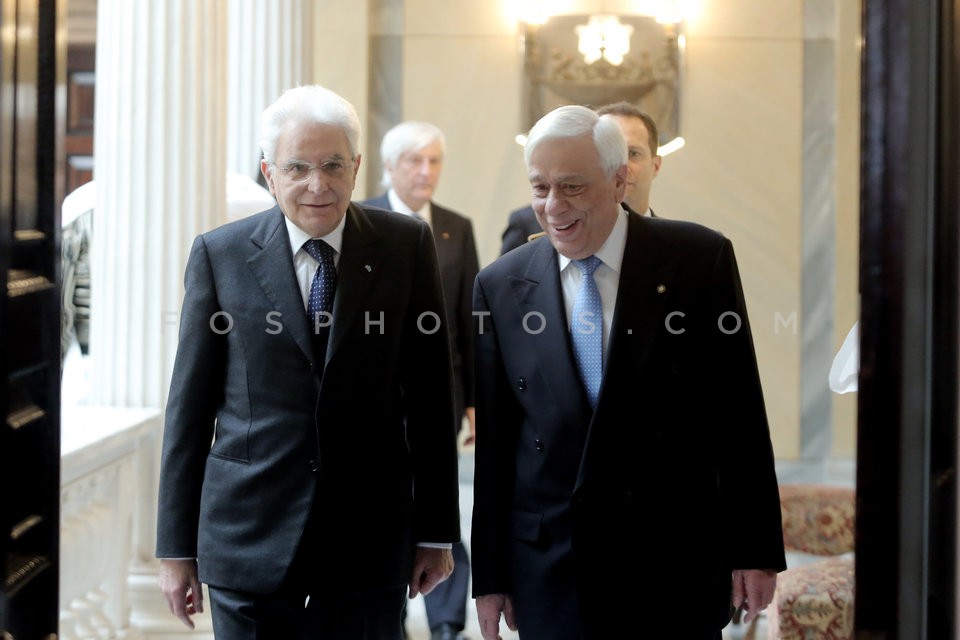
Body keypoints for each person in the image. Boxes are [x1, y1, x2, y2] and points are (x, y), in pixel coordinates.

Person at [156, 84, 461, 639]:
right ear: (269, 172)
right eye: (297, 167)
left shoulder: (406, 246)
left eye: (332, 166)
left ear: (357, 167)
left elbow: (431, 397)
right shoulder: (219, 254)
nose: (316, 185)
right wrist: (175, 549)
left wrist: (437, 533)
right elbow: (189, 410)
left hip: (369, 541)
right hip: (248, 537)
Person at [471, 104, 785, 640]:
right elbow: (497, 446)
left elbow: (738, 411)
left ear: (620, 181)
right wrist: (490, 576)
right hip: (550, 563)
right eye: (540, 187)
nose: (553, 206)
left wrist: (755, 549)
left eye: (572, 187)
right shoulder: (500, 284)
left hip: (670, 557)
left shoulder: (696, 260)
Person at [363, 120, 478, 640]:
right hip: (376, 399)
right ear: (389, 167)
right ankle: (390, 612)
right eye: (415, 161)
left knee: (438, 503)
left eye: (434, 161)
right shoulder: (360, 219)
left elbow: (469, 320)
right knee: (383, 507)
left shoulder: (456, 226)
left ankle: (448, 621)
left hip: (442, 395)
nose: (426, 172)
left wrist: (475, 400)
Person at [498, 101, 662, 256]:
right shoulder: (529, 225)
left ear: (655, 165)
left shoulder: (679, 246)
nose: (620, 163)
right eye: (607, 153)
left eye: (633, 153)